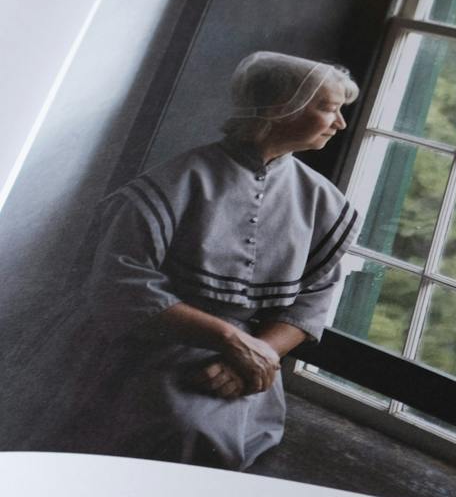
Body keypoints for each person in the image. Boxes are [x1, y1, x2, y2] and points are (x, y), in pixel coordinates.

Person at [44, 52, 361, 470]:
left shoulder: (323, 200)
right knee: (182, 433)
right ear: (279, 109)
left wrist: (259, 353)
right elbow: (120, 285)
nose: (340, 123)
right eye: (329, 108)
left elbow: (314, 297)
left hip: (252, 365)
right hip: (151, 349)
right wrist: (230, 341)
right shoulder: (174, 184)